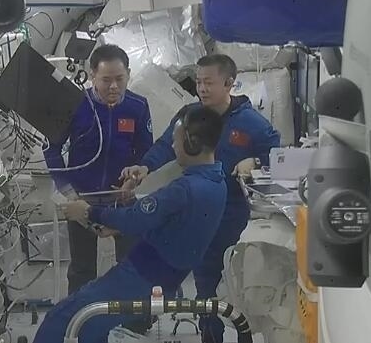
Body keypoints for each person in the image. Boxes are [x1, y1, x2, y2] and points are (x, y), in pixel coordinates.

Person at [121, 53, 281, 343]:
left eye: (209, 82)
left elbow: (277, 154)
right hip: (200, 213)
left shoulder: (251, 123)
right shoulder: (189, 116)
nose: (202, 89)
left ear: (229, 83)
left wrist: (255, 162)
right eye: (198, 82)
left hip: (233, 216)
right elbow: (165, 145)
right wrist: (145, 167)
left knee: (240, 287)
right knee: (206, 286)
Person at [33, 106, 228, 343]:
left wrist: (88, 211)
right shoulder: (217, 183)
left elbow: (135, 219)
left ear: (192, 144)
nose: (173, 145)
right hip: (164, 276)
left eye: (176, 140)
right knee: (93, 328)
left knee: (62, 318)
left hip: (142, 276)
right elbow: (175, 224)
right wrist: (117, 226)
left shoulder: (184, 189)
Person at [43, 44, 154, 294]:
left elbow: (145, 151)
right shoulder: (76, 104)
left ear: (128, 75)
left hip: (121, 198)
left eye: (119, 79)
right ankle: (77, 316)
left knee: (130, 264)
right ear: (92, 76)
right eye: (106, 80)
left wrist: (133, 179)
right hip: (82, 198)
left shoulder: (137, 106)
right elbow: (51, 148)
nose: (113, 86)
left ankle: (130, 315)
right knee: (81, 269)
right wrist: (67, 190)